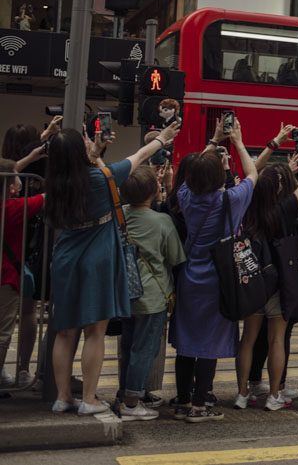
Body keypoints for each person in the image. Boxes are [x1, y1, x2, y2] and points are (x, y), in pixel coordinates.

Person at [45, 120, 179, 416]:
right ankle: (89, 398)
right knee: (95, 331)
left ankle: (62, 396)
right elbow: (138, 158)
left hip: (65, 257)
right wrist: (163, 139)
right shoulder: (99, 178)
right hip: (97, 259)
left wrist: (95, 149)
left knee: (65, 332)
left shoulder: (54, 182)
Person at [171, 119, 256, 422]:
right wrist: (240, 142)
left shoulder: (185, 197)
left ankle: (182, 401)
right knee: (208, 343)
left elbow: (190, 172)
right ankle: (199, 405)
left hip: (189, 276)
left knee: (186, 340)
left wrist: (213, 140)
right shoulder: (229, 200)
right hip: (217, 280)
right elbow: (252, 174)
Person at [234, 129, 298, 412]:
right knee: (277, 339)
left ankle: (242, 394)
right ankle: (273, 395)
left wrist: (272, 145)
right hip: (279, 282)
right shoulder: (286, 209)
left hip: (252, 279)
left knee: (248, 338)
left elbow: (250, 172)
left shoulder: (247, 206)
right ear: (280, 188)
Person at [116, 166, 185, 421]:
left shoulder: (119, 216)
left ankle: (125, 393)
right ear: (153, 192)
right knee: (144, 349)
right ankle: (132, 403)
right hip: (153, 296)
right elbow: (176, 257)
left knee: (127, 346)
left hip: (124, 294)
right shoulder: (162, 221)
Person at [0, 156, 45, 390]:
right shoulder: (13, 208)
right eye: (17, 180)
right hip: (6, 278)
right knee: (3, 332)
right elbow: (46, 198)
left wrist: (34, 153)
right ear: (11, 187)